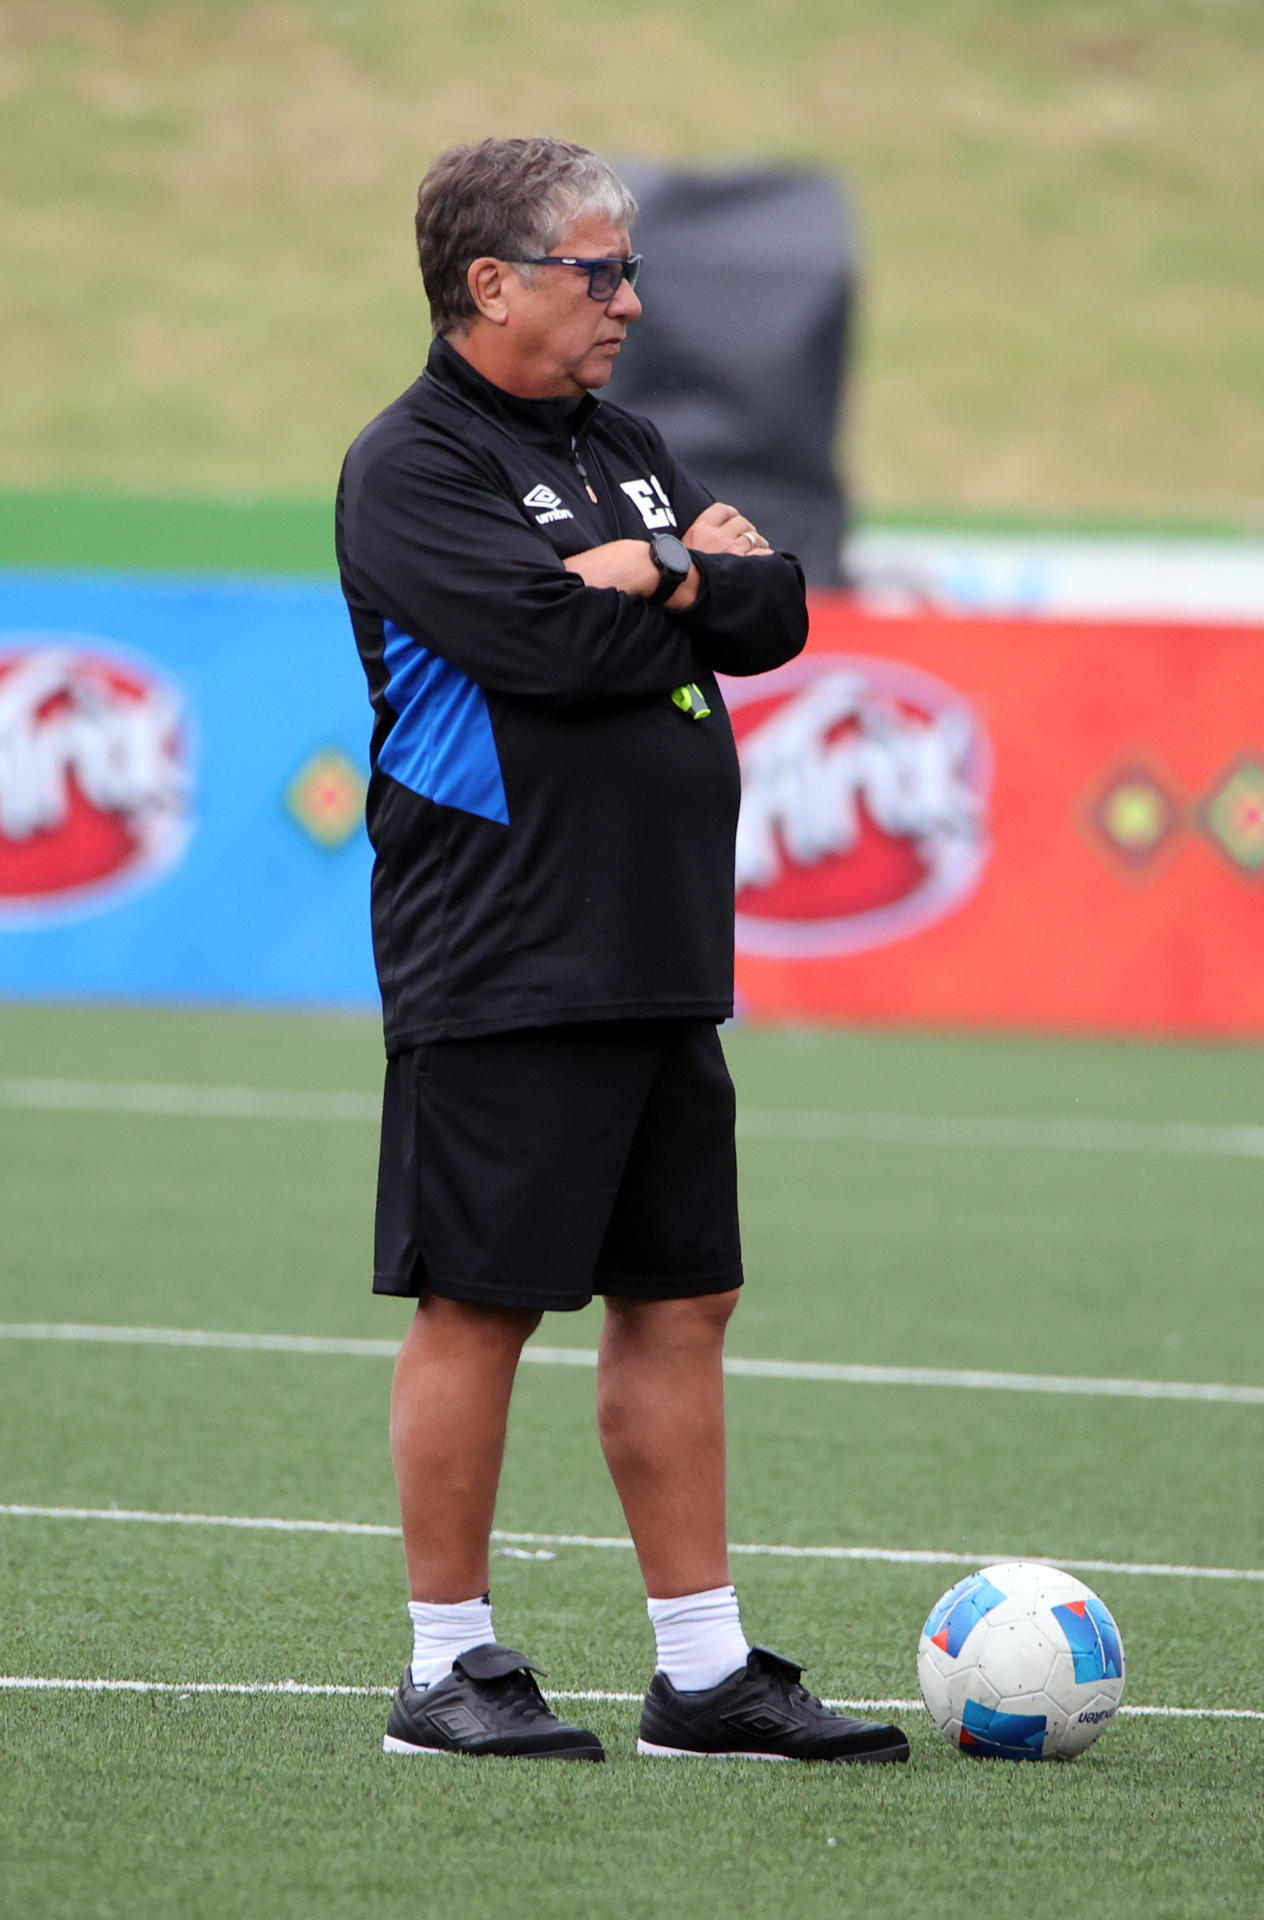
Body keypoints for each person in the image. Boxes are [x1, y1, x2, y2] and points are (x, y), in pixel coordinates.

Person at [336, 135, 908, 1766]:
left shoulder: (624, 448)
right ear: (492, 283)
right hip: (504, 949)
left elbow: (775, 606)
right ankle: (447, 1666)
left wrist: (666, 563)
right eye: (600, 273)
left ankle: (704, 1674)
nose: (632, 302)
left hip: (657, 945)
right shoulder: (412, 465)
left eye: (630, 271)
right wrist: (685, 581)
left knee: (685, 1297)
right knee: (482, 1304)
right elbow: (546, 642)